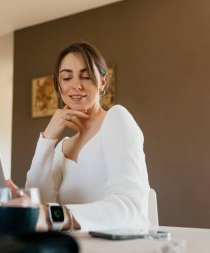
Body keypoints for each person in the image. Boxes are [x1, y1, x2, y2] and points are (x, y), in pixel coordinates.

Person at [18, 42, 151, 232]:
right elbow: (38, 202)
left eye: (86, 76)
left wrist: (52, 216)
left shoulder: (116, 118)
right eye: (66, 77)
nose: (76, 86)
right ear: (59, 85)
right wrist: (47, 138)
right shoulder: (62, 147)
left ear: (103, 82)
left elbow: (129, 207)